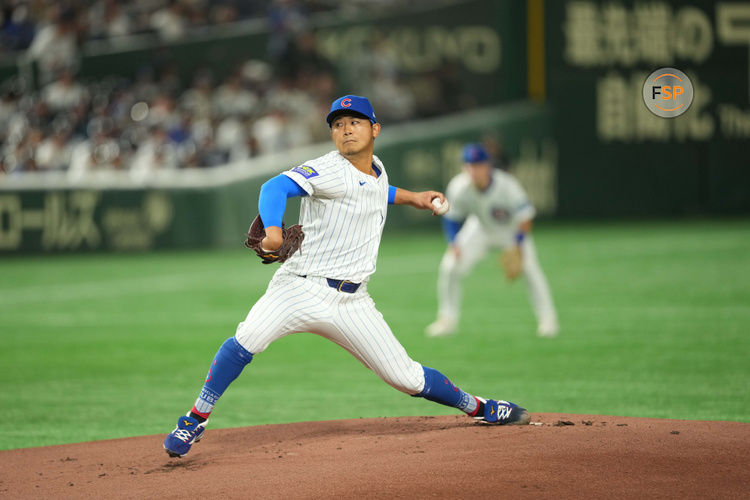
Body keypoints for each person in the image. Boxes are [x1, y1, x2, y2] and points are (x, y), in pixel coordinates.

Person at [163, 96, 530, 458]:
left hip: (353, 302)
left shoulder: (377, 168)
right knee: (246, 339)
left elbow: (373, 190)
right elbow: (273, 187)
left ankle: (479, 407)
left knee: (406, 378)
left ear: (375, 129)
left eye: (354, 122)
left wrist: (413, 197)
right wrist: (273, 230)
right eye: (338, 124)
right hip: (299, 287)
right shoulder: (329, 168)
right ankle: (195, 418)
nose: (345, 129)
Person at [425, 143, 559, 338]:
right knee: (450, 266)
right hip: (480, 228)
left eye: (478, 164)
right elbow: (451, 218)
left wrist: (518, 244)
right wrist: (454, 243)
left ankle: (548, 320)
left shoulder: (507, 185)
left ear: (487, 166)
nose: (473, 170)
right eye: (469, 165)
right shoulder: (459, 186)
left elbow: (526, 217)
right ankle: (447, 320)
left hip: (511, 231)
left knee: (531, 270)